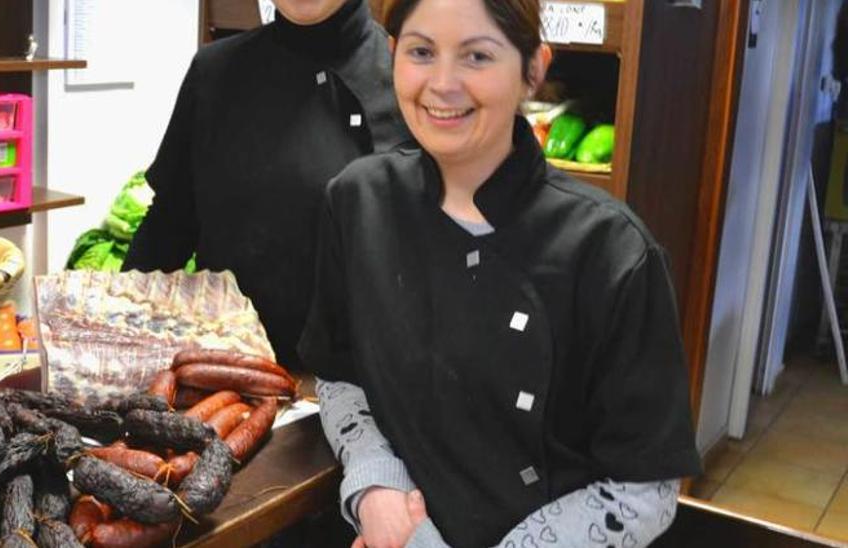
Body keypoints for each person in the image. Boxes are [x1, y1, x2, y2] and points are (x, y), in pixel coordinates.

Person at [298, 0, 703, 547]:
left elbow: (644, 488)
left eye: (477, 56)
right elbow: (338, 374)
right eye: (421, 52)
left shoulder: (610, 249)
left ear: (533, 69)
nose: (442, 84)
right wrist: (377, 490)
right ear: (393, 56)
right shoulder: (357, 201)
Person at [123, 0, 412, 371]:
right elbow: (168, 228)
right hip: (231, 381)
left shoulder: (414, 81)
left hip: (369, 391)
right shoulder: (214, 71)